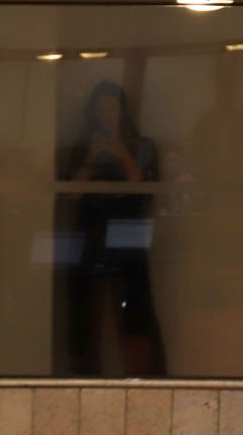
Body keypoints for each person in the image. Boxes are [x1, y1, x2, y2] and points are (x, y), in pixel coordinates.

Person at [61, 80, 167, 376]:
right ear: (92, 114)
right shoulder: (82, 148)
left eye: (111, 108)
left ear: (123, 110)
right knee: (83, 305)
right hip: (89, 226)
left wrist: (123, 154)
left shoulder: (143, 146)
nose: (107, 115)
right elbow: (69, 194)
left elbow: (147, 191)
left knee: (136, 303)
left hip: (127, 225)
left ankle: (145, 375)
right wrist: (91, 159)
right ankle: (81, 374)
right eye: (100, 110)